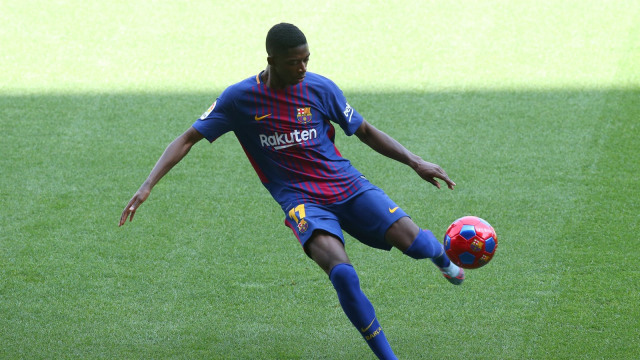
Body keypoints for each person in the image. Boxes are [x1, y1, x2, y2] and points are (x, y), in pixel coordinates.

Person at [119, 23, 463, 360]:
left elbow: (365, 131)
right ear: (271, 59)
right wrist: (147, 184)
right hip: (301, 201)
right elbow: (186, 139)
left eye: (306, 60)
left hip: (349, 186)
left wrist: (415, 162)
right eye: (293, 62)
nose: (301, 68)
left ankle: (441, 257)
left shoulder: (320, 89)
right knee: (342, 274)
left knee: (416, 244)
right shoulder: (239, 99)